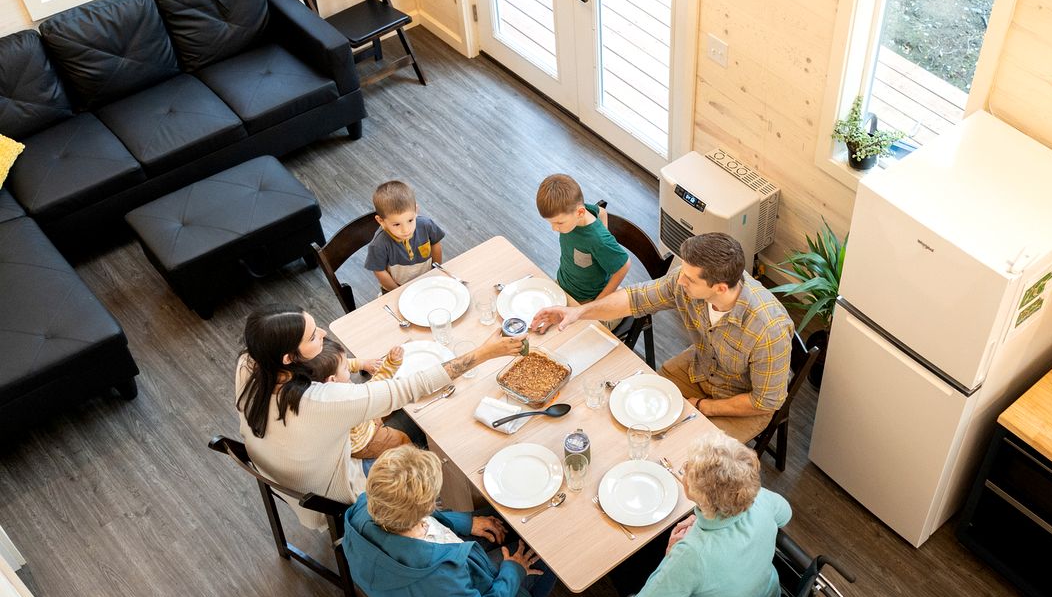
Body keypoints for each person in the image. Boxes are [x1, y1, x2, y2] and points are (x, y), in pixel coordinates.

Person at [234, 306, 522, 528]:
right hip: (336, 490)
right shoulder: (320, 402)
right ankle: (440, 512)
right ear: (288, 358)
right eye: (312, 336)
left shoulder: (249, 363)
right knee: (432, 428)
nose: (322, 332)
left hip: (283, 472)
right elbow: (411, 387)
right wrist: (485, 353)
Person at [531, 233, 792, 443]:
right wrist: (578, 312)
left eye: (689, 279)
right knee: (633, 421)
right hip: (699, 369)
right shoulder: (686, 281)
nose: (680, 282)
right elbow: (635, 298)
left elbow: (764, 402)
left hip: (739, 402)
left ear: (720, 288)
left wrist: (704, 406)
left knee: (689, 462)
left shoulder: (769, 330)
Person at [342, 446, 555, 597]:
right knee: (549, 550)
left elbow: (417, 517)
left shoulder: (366, 506)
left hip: (437, 576)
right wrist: (513, 572)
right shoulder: (439, 575)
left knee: (512, 512)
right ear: (427, 506)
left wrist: (466, 523)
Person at [629, 435, 789, 597]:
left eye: (688, 469)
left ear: (702, 497)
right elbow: (785, 514)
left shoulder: (693, 554)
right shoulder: (760, 500)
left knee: (630, 564)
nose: (684, 469)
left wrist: (669, 556)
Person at [298, 338, 411, 461]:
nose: (348, 367)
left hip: (362, 420)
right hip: (365, 440)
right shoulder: (342, 402)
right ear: (332, 379)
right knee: (401, 439)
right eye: (345, 368)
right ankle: (415, 460)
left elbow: (343, 362)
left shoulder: (315, 384)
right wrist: (390, 365)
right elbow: (374, 390)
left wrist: (362, 364)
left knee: (392, 399)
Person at [535, 173, 630, 305]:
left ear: (580, 213)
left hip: (586, 300)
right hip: (563, 286)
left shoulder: (598, 240)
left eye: (559, 223)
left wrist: (597, 303)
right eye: (551, 223)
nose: (554, 228)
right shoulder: (575, 212)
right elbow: (602, 211)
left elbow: (624, 266)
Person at [365, 180, 447, 291]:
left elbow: (435, 244)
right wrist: (398, 291)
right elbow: (379, 271)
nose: (405, 230)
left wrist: (435, 269)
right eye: (396, 224)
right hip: (397, 288)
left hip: (427, 279)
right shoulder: (378, 244)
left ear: (416, 211)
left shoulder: (426, 225)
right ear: (381, 221)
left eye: (410, 220)